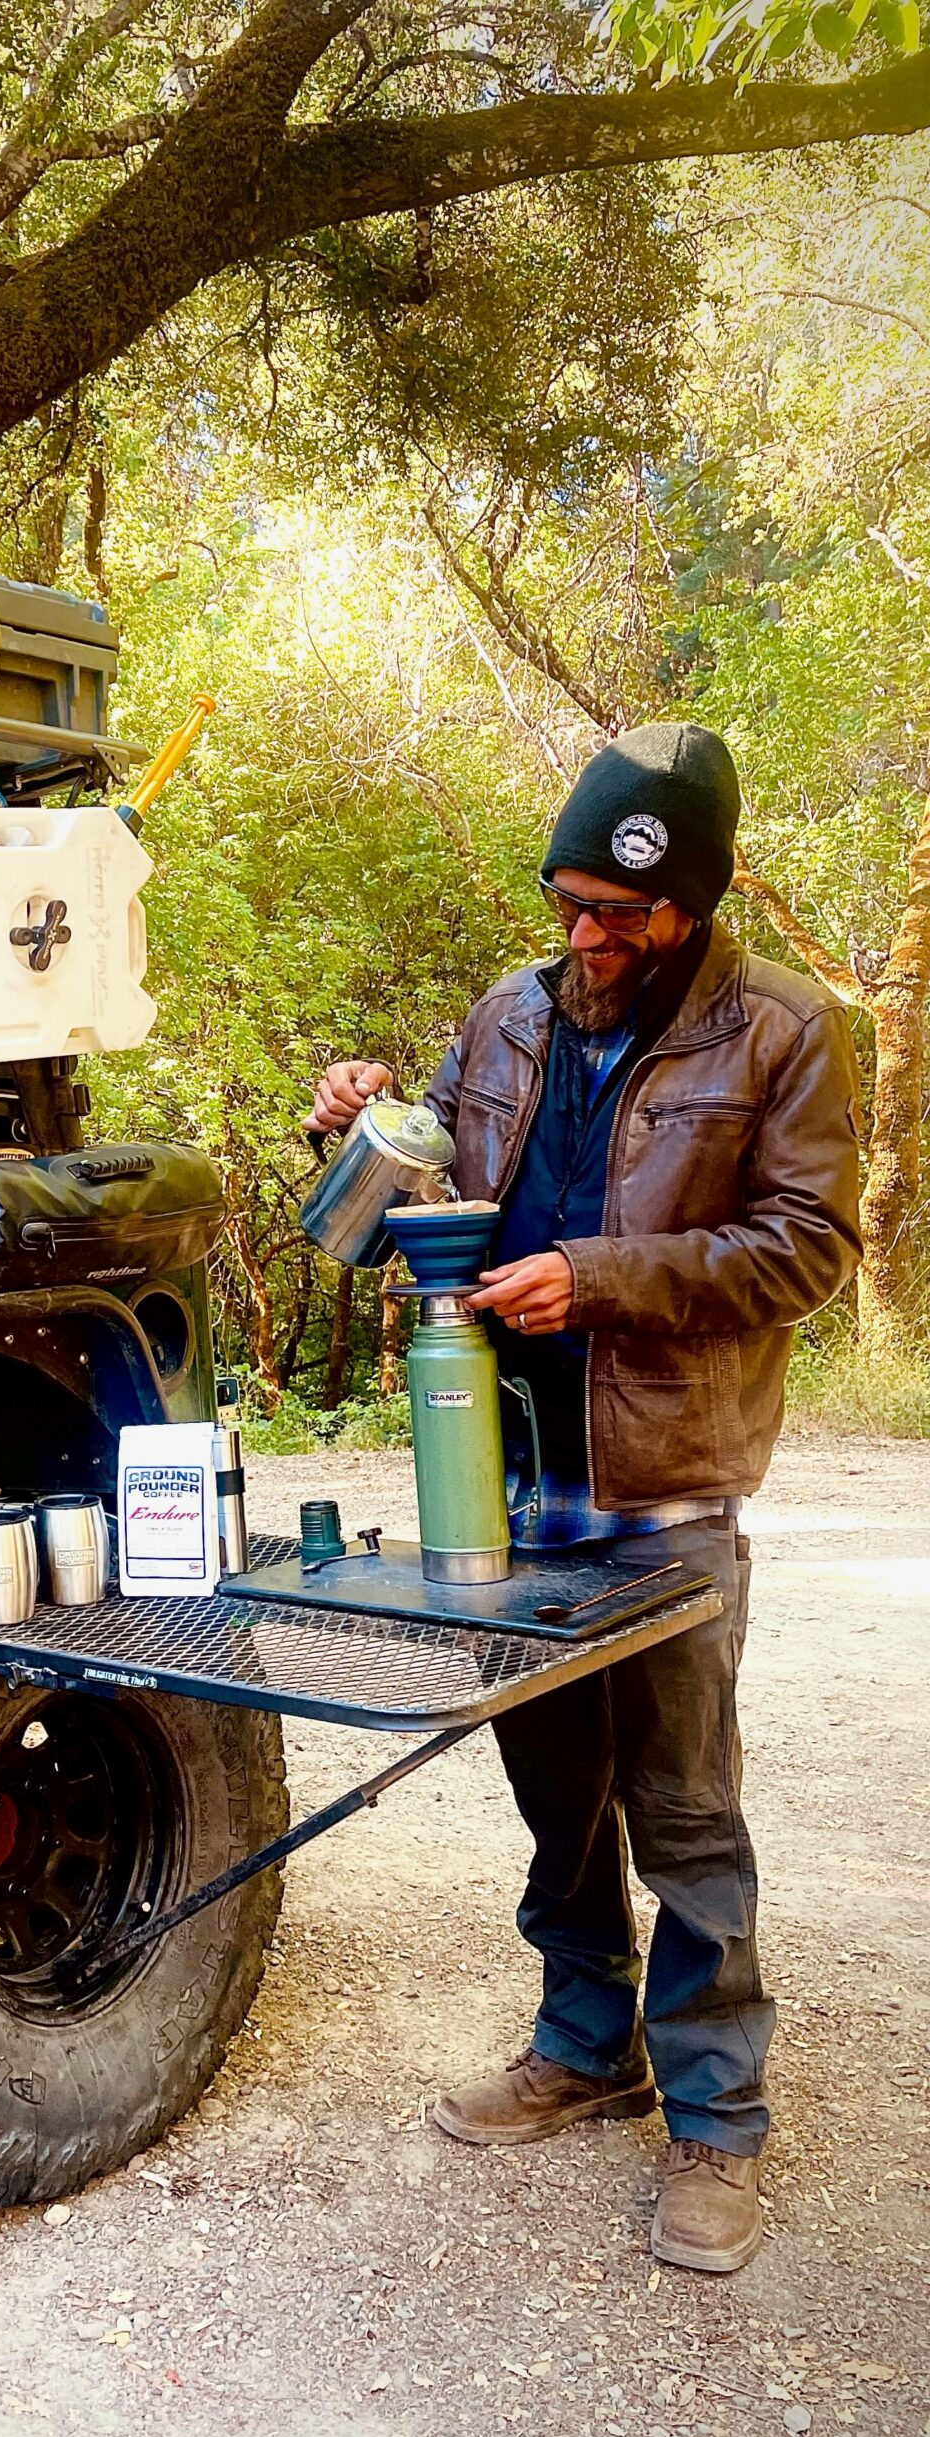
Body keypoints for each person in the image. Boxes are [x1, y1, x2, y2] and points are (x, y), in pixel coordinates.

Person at [307, 723, 861, 2273]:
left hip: (664, 1473)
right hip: (503, 1462)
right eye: (569, 906)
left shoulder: (789, 1031)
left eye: (622, 914)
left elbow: (812, 1248)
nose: (586, 940)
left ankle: (718, 2120)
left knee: (682, 1800)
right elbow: (429, 1198)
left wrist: (601, 1280)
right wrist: (359, 1130)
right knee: (556, 1784)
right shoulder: (504, 1018)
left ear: (696, 899)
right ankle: (583, 2042)